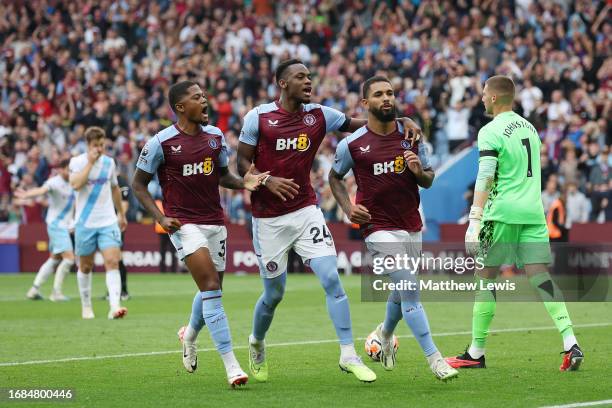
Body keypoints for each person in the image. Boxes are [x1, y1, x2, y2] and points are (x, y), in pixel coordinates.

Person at [236, 59, 422, 383]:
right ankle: (256, 341)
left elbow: (364, 123)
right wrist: (265, 181)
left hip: (307, 210)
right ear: (283, 83)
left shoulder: (320, 115)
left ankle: (348, 354)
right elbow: (241, 163)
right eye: (300, 77)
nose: (309, 81)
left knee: (331, 280)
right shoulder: (259, 117)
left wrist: (401, 117)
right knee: (274, 295)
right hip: (268, 220)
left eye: (310, 76)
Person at [132, 80, 266, 387]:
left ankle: (189, 335)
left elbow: (223, 175)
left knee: (213, 287)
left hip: (214, 221)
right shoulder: (160, 143)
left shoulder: (216, 137)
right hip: (183, 224)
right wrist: (160, 217)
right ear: (181, 107)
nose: (205, 101)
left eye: (204, 96)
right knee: (210, 286)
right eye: (197, 98)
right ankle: (232, 366)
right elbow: (138, 183)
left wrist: (244, 183)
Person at [448, 75, 583, 371]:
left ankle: (476, 352)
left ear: (495, 97)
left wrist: (474, 218)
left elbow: (485, 175)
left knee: (485, 278)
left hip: (503, 213)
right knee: (541, 278)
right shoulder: (530, 128)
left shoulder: (490, 130)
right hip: (533, 213)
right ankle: (570, 341)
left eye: (484, 93)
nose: (482, 97)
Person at [328, 76, 459, 381]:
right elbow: (335, 178)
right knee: (411, 288)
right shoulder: (352, 143)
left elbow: (428, 179)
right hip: (377, 227)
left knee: (402, 291)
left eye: (390, 93)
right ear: (366, 103)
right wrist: (348, 208)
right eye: (378, 94)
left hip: (410, 223)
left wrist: (417, 171)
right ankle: (435, 360)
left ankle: (384, 335)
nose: (386, 98)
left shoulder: (411, 135)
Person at [69, 126, 128, 320]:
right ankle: (86, 306)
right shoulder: (77, 162)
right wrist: (90, 163)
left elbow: (115, 188)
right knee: (86, 266)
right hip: (85, 222)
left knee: (112, 261)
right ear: (88, 145)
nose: (100, 149)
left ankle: (114, 306)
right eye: (96, 145)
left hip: (107, 221)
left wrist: (121, 214)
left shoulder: (109, 163)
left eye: (102, 145)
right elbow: (76, 184)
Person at [16, 159, 75, 301]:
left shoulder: (74, 182)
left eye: (71, 169)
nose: (70, 172)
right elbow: (42, 190)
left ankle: (34, 289)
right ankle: (56, 293)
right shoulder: (55, 182)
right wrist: (27, 194)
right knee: (69, 259)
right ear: (60, 169)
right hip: (56, 225)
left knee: (54, 259)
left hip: (63, 225)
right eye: (67, 169)